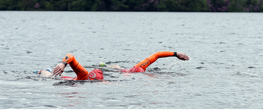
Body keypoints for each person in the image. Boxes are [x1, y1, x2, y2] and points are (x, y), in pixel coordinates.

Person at [51, 51, 189, 81]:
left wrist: (176, 54)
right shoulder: (84, 75)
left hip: (123, 71)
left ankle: (107, 66)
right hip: (124, 71)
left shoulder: (84, 75)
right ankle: (107, 66)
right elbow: (156, 55)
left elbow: (156, 55)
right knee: (117, 69)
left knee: (117, 69)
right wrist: (175, 54)